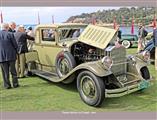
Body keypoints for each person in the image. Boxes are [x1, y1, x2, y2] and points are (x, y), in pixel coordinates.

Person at [0, 23, 19, 89]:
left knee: (5, 72)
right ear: (7, 27)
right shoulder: (10, 34)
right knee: (13, 71)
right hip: (11, 55)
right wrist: (17, 52)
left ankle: (7, 85)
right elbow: (15, 45)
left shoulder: (9, 34)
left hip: (1, 56)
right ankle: (15, 84)